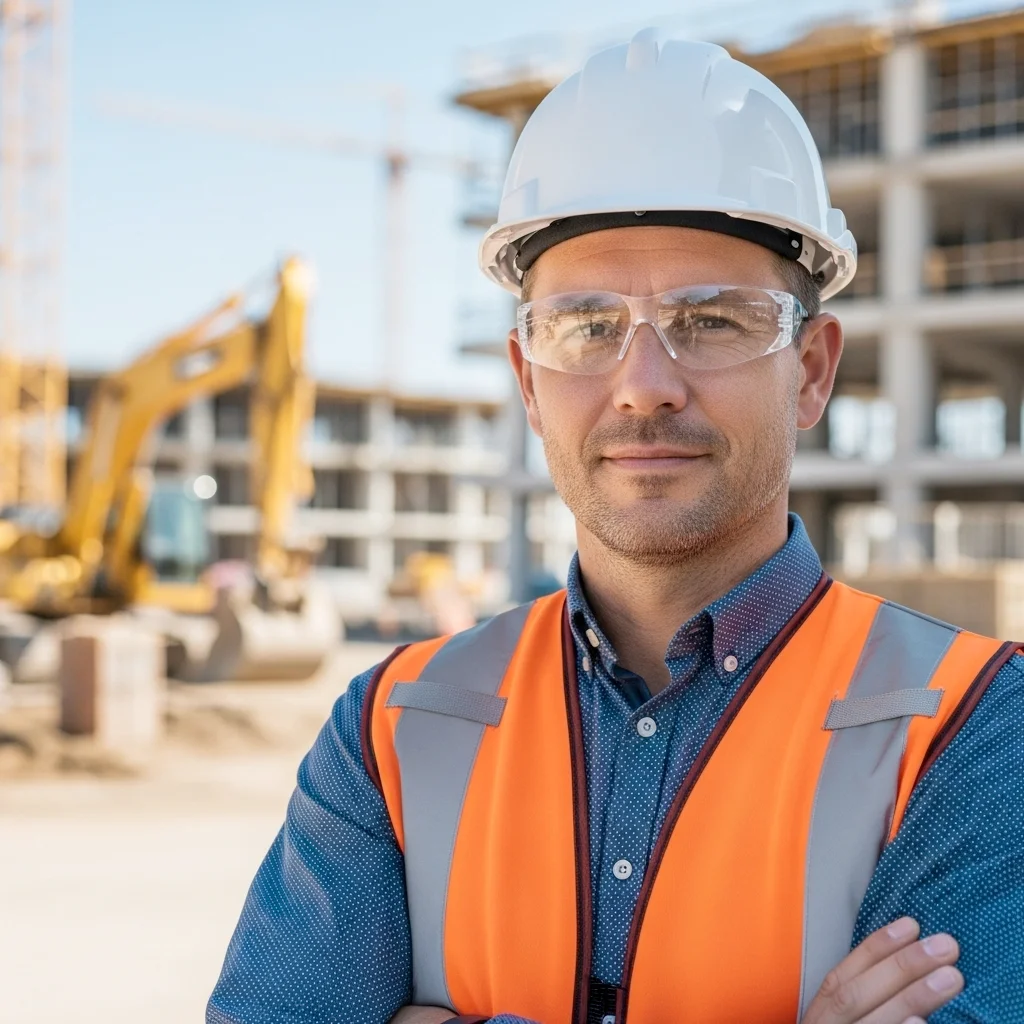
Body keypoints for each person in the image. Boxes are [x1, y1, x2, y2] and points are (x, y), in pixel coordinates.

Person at [207, 33, 1024, 1024]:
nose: (643, 386)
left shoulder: (975, 726)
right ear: (527, 382)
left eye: (712, 319)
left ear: (810, 371)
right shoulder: (391, 728)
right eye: (587, 326)